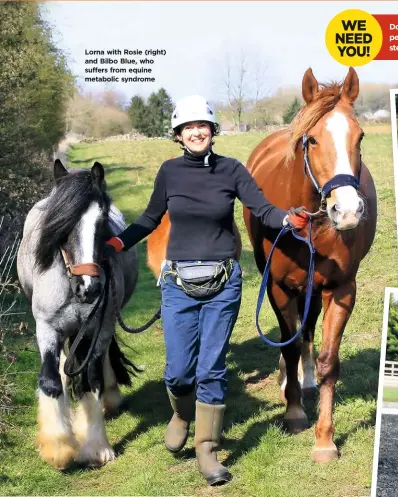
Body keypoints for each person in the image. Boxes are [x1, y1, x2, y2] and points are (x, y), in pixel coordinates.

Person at [104, 95, 310, 485]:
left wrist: (288, 217)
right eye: (188, 127)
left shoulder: (232, 170)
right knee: (178, 373)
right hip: (178, 284)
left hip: (223, 283)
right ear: (178, 135)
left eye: (202, 126)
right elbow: (150, 217)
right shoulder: (169, 173)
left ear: (213, 131)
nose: (196, 132)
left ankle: (207, 450)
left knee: (211, 368)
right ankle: (181, 413)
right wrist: (116, 244)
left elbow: (262, 210)